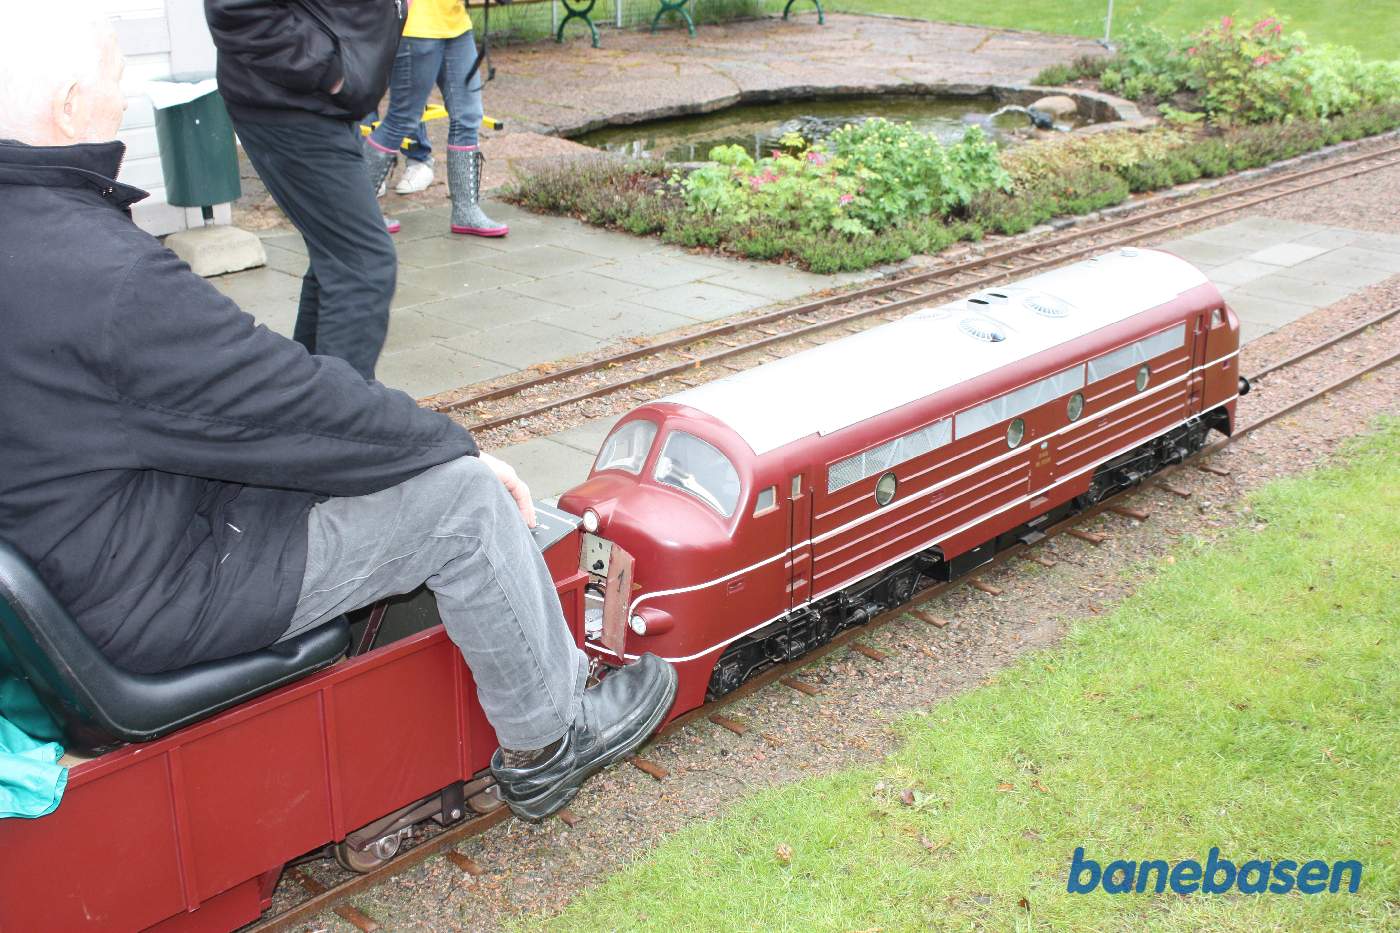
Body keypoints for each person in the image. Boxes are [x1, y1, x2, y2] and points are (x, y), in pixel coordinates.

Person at [0, 0, 676, 822]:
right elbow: (282, 400)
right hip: (144, 587)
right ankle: (552, 735)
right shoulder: (104, 274)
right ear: (71, 106)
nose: (127, 99)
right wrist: (449, 445)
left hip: (74, 552)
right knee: (461, 501)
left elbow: (227, 402)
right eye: (114, 83)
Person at [203, 0, 404, 380]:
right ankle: (338, 426)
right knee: (363, 266)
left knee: (341, 257)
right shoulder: (317, 82)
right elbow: (235, 8)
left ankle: (306, 403)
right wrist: (331, 72)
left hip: (318, 101)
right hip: (292, 103)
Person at [365, 0, 509, 237]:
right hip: (417, 27)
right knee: (402, 120)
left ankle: (466, 211)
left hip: (456, 24)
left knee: (468, 115)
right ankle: (359, 212)